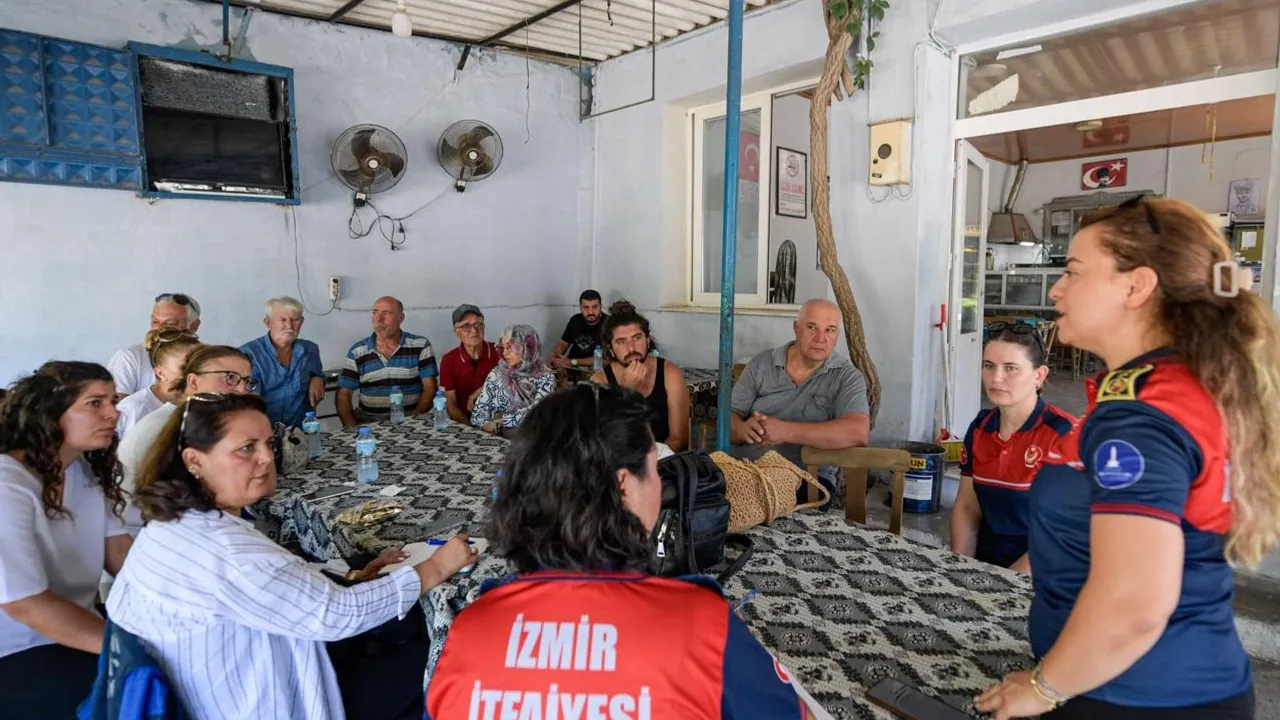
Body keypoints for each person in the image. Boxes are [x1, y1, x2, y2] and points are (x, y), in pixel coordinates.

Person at [977, 197, 1280, 719]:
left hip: (1142, 697)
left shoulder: (1140, 417)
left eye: (1074, 272)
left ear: (1137, 287)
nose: (1056, 289)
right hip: (1140, 682)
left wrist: (1044, 688)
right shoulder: (1171, 389)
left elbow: (1134, 602)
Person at [426, 383, 821, 719]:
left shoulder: (467, 634)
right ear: (624, 486)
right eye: (655, 468)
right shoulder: (702, 627)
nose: (660, 485)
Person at [106, 392, 477, 720]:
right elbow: (338, 615)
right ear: (194, 460)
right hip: (256, 701)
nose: (267, 458)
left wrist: (349, 578)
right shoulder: (227, 551)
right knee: (445, 657)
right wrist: (435, 567)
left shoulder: (174, 523)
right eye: (246, 448)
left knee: (399, 626)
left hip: (219, 682)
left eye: (268, 443)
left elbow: (275, 585)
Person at [0, 362, 133, 717]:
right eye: (95, 403)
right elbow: (25, 604)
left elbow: (120, 555)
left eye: (113, 401)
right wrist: (124, 648)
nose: (113, 413)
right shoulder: (7, 485)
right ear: (50, 412)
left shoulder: (82, 469)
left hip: (74, 630)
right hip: (16, 649)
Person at [951, 323, 1075, 573]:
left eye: (1011, 368)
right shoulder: (981, 427)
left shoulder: (1064, 435)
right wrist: (961, 568)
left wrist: (1007, 581)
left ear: (1039, 375)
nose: (996, 378)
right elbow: (968, 506)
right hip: (985, 563)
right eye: (989, 366)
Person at [729, 299, 870, 510]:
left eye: (830, 330)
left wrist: (785, 431)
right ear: (796, 328)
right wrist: (742, 429)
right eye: (812, 327)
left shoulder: (846, 377)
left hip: (808, 478)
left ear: (837, 335)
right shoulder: (762, 363)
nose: (820, 339)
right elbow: (728, 416)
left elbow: (857, 432)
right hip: (746, 470)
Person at [117, 345, 256, 531]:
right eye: (230, 377)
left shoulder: (201, 421)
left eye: (247, 381)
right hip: (150, 531)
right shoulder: (162, 428)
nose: (242, 389)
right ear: (193, 381)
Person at [590, 300, 691, 451]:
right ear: (611, 350)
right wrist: (626, 393)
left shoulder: (669, 373)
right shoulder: (598, 382)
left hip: (664, 458)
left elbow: (679, 438)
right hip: (620, 461)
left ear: (648, 341)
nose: (631, 348)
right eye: (621, 342)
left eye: (637, 338)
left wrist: (653, 459)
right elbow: (600, 443)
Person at [337, 296, 438, 427]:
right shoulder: (357, 351)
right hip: (369, 424)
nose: (378, 319)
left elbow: (430, 388)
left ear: (401, 318)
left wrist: (412, 421)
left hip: (411, 422)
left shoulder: (420, 345)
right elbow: (343, 394)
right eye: (375, 312)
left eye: (386, 313)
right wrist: (351, 428)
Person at [240, 296, 326, 427]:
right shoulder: (248, 354)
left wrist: (318, 378)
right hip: (263, 430)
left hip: (300, 430)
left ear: (302, 322)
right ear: (268, 323)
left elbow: (317, 373)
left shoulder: (310, 350)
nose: (290, 326)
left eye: (295, 320)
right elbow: (248, 402)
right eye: (283, 320)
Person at [106, 293, 202, 398]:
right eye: (155, 322)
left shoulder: (206, 358)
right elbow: (115, 405)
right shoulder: (129, 357)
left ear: (194, 326)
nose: (159, 328)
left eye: (170, 323)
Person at [471, 324, 556, 435]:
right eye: (503, 347)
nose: (504, 353)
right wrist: (485, 425)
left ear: (527, 348)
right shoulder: (497, 373)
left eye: (509, 347)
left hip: (529, 437)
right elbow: (479, 411)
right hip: (492, 434)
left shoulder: (545, 377)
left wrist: (501, 422)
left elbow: (537, 413)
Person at [115, 328, 201, 437]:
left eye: (200, 363)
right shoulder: (135, 410)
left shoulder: (201, 402)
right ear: (160, 373)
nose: (198, 372)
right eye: (185, 367)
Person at [438, 304, 500, 425]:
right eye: (466, 326)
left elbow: (515, 383)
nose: (474, 331)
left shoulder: (501, 351)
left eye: (478, 324)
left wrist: (481, 390)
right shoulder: (449, 360)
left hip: (498, 421)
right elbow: (450, 403)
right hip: (464, 422)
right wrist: (470, 429)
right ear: (457, 332)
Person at [548, 289, 608, 369]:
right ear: (580, 307)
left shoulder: (609, 323)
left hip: (596, 370)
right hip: (572, 368)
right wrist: (554, 356)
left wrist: (572, 362)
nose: (590, 312)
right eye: (586, 307)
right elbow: (563, 343)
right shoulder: (575, 320)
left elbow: (607, 360)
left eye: (594, 307)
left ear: (601, 306)